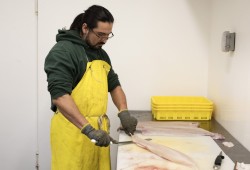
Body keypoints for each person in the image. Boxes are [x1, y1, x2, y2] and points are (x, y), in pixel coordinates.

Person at [44, 5, 138, 170]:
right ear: (85, 28)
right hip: (73, 133)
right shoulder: (64, 52)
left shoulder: (101, 54)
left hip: (99, 133)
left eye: (108, 36)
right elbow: (59, 96)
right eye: (100, 34)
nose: (104, 40)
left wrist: (124, 111)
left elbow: (114, 85)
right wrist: (87, 129)